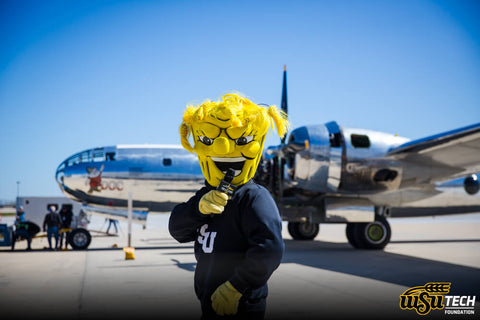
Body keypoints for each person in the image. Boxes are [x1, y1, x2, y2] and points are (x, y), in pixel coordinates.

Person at [169, 93, 289, 319]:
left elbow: (269, 249)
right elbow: (177, 230)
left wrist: (236, 288)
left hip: (241, 305)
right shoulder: (208, 195)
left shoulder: (253, 197)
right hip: (209, 302)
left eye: (241, 140)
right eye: (209, 140)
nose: (223, 148)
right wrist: (198, 209)